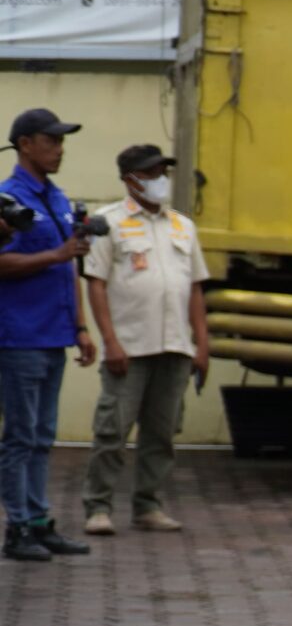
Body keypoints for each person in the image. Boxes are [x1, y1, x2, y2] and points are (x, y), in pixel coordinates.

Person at [78, 144, 208, 537]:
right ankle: (98, 506)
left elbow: (196, 288)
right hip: (131, 348)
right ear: (129, 179)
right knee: (112, 431)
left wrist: (201, 343)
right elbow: (96, 285)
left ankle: (147, 506)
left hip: (174, 347)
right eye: (151, 173)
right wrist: (110, 342)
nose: (159, 180)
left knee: (162, 433)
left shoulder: (182, 226)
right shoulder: (108, 223)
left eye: (162, 172)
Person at [0, 108, 95, 563]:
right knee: (20, 437)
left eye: (61, 141)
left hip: (53, 333)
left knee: (42, 435)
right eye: (51, 140)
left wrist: (80, 326)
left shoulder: (55, 198)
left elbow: (69, 264)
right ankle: (17, 527)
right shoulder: (8, 201)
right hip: (19, 336)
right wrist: (57, 253)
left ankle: (39, 522)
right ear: (24, 144)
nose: (59, 148)